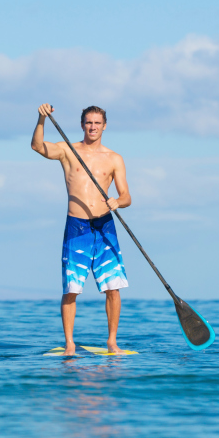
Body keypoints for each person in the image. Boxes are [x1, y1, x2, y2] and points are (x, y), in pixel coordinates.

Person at [31, 103, 131, 355]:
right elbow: (37, 146)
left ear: (104, 126)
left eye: (97, 123)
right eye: (89, 122)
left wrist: (117, 202)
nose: (93, 127)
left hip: (104, 225)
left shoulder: (114, 158)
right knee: (71, 289)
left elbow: (127, 196)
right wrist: (41, 119)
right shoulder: (68, 150)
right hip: (77, 226)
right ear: (82, 125)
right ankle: (70, 344)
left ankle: (112, 342)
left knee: (113, 287)